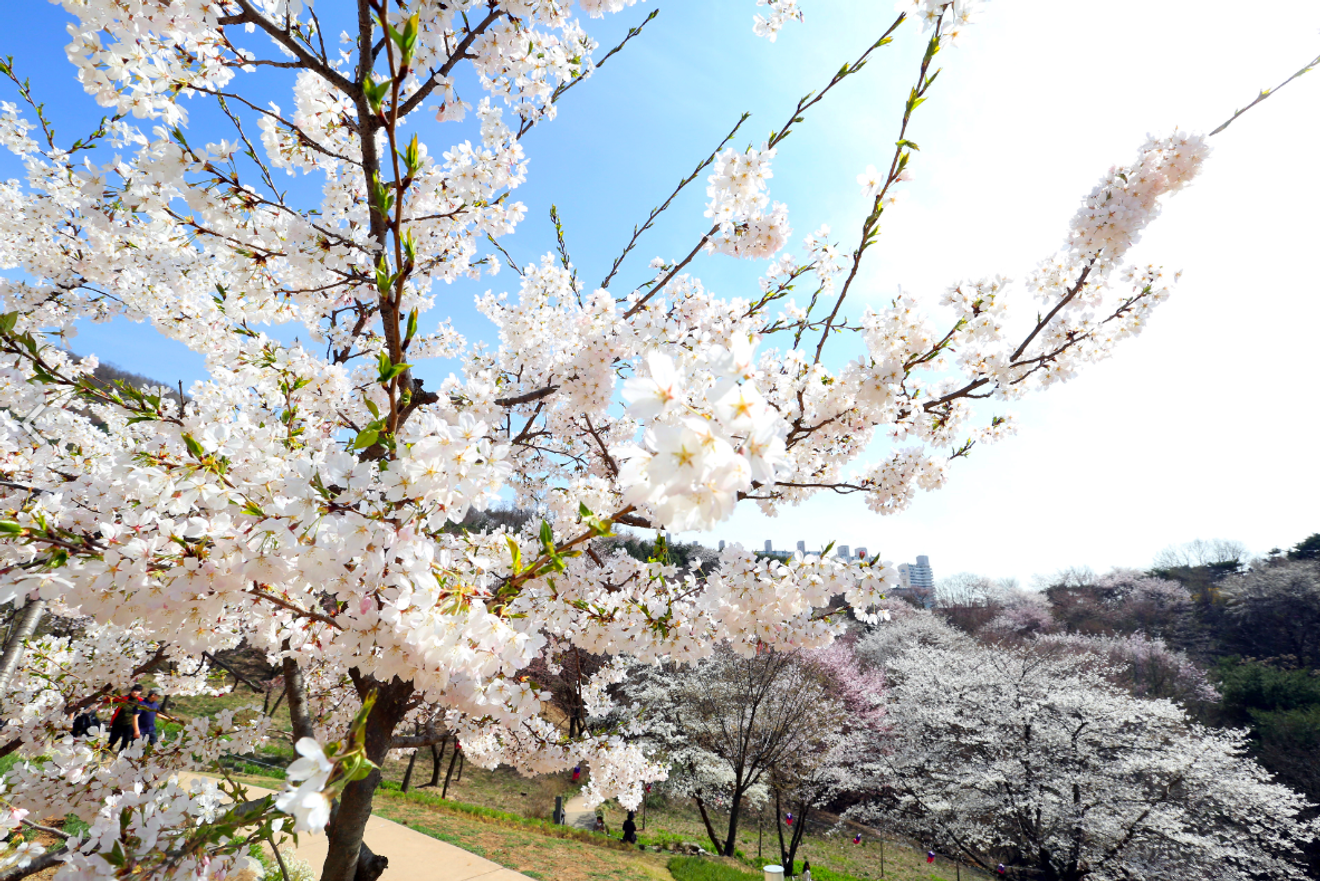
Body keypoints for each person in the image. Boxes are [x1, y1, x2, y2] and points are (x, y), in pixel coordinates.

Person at [106, 684, 143, 752]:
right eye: (135, 690)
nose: (136, 692)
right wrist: (107, 697)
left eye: (138, 691)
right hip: (118, 722)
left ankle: (121, 756)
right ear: (131, 690)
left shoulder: (140, 701)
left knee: (126, 741)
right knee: (113, 739)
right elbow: (108, 700)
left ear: (140, 692)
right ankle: (105, 753)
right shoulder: (123, 698)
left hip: (129, 724)